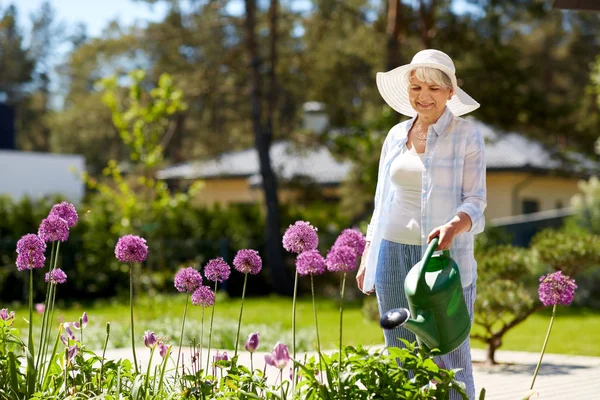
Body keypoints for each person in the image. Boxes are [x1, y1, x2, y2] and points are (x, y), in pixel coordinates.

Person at [356, 49, 487, 399]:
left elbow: (476, 200)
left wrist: (453, 226)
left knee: (450, 356)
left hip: (442, 261)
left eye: (432, 88)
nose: (423, 96)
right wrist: (370, 252)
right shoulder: (396, 135)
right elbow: (382, 200)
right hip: (392, 254)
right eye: (416, 88)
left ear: (450, 92)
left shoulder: (467, 135)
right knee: (400, 355)